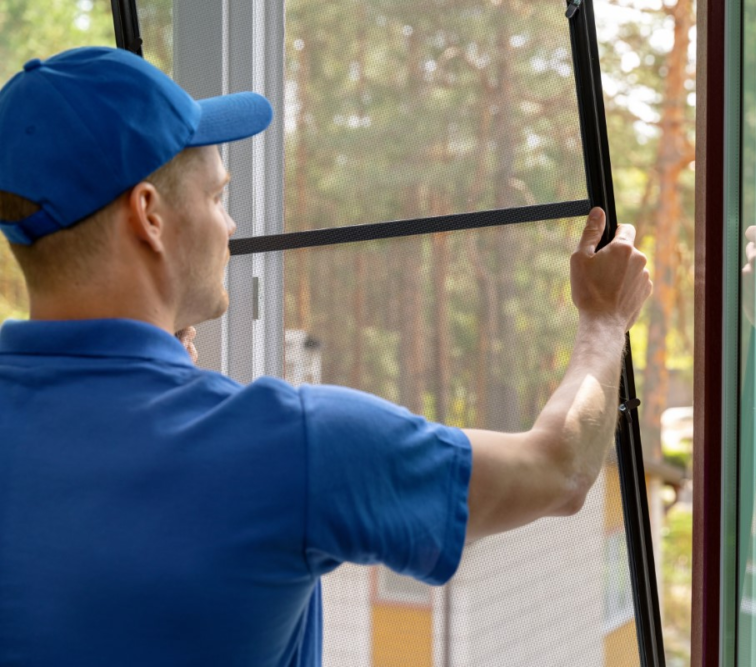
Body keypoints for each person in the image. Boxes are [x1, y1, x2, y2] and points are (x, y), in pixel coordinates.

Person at [0, 47, 652, 666]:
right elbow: (559, 469)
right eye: (218, 197)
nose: (229, 226)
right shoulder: (288, 447)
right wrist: (604, 320)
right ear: (149, 214)